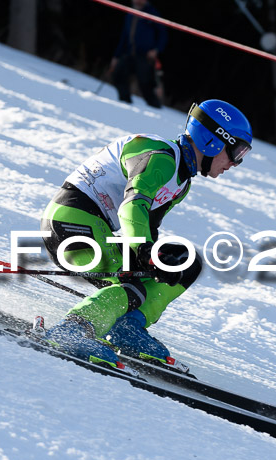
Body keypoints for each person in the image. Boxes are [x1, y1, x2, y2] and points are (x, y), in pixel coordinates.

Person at [39, 100, 252, 371]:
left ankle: (127, 328)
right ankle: (72, 330)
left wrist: (155, 258)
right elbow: (133, 204)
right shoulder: (162, 157)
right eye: (236, 151)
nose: (236, 163)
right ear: (213, 141)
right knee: (132, 286)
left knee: (186, 264)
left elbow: (147, 225)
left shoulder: (181, 181)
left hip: (96, 227)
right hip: (72, 223)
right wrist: (143, 250)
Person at [109, 0, 167, 108]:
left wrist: (156, 49)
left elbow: (163, 34)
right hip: (129, 52)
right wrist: (116, 56)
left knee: (145, 83)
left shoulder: (152, 13)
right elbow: (124, 37)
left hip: (145, 56)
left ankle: (155, 107)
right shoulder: (130, 12)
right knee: (118, 74)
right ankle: (125, 101)